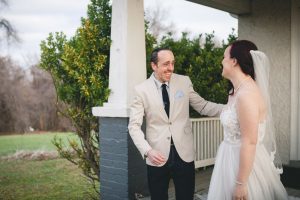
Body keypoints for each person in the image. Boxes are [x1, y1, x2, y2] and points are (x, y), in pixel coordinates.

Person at [128, 48, 223, 200]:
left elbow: (203, 106)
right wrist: (148, 151)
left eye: (172, 63)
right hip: (156, 155)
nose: (171, 68)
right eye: (166, 64)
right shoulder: (141, 90)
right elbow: (133, 126)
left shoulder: (184, 82)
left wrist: (231, 109)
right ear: (154, 65)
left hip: (184, 154)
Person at [207, 40, 288, 200]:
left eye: (224, 57)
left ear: (234, 61)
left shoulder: (247, 95)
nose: (222, 61)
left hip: (243, 165)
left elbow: (250, 141)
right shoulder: (236, 90)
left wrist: (241, 183)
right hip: (229, 157)